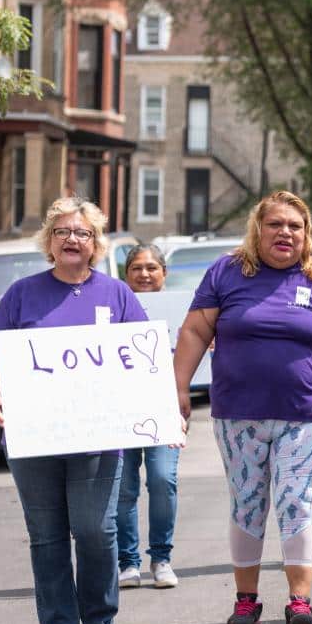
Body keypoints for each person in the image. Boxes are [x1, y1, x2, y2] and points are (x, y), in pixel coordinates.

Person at [173, 191, 312, 624]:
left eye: (295, 226)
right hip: (238, 414)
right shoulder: (227, 271)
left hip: (302, 413)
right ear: (258, 229)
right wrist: (178, 387)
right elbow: (197, 328)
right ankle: (246, 600)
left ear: (306, 234)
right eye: (275, 224)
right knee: (248, 503)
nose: (285, 233)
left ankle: (299, 601)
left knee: (296, 502)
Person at [0, 197, 147, 624]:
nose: (72, 240)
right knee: (47, 534)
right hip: (34, 437)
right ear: (48, 242)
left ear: (95, 243)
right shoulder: (21, 294)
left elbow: (143, 362)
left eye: (82, 233)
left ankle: (99, 621)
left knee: (96, 529)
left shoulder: (117, 295)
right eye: (62, 233)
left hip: (99, 437)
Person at [116, 244, 180, 590]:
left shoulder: (180, 312)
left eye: (152, 267)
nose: (144, 274)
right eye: (137, 268)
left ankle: (161, 558)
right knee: (124, 488)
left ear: (164, 273)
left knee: (161, 479)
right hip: (122, 409)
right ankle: (128, 562)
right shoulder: (112, 309)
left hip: (164, 408)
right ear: (125, 275)